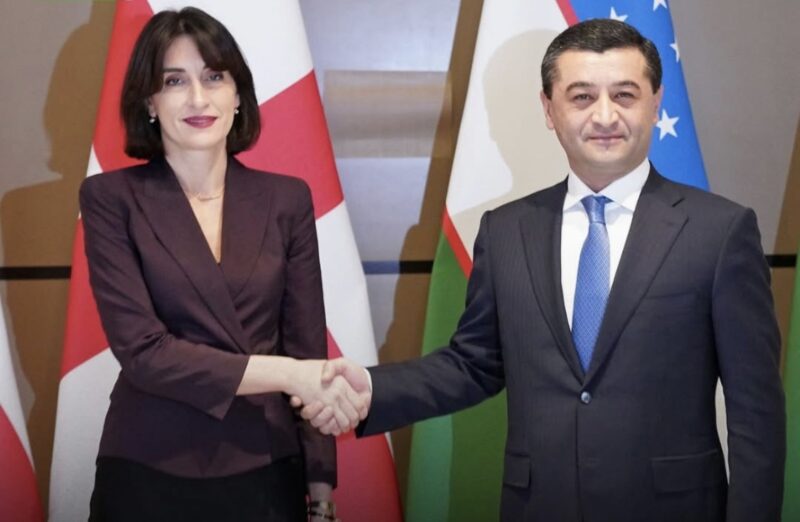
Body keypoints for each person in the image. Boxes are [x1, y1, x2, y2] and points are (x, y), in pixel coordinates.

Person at [299, 19, 786, 522]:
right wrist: (371, 389)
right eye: (581, 97)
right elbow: (474, 363)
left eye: (624, 95)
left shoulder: (719, 232)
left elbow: (756, 411)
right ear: (549, 109)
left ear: (656, 102)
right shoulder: (506, 231)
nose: (605, 115)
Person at [80, 7, 365, 522]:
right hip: (148, 466)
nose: (198, 97)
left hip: (266, 465)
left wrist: (321, 492)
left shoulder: (287, 200)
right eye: (174, 81)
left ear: (238, 95)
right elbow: (144, 352)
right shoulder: (110, 199)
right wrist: (288, 374)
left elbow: (306, 346)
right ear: (149, 101)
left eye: (214, 77)